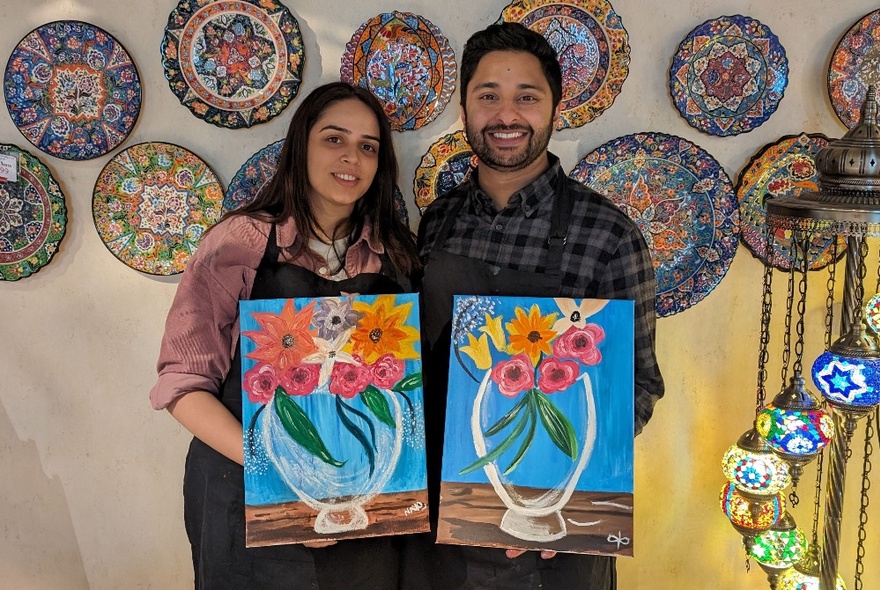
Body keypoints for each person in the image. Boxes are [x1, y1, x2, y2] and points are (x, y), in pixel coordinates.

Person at [405, 22, 664, 590]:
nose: (506, 114)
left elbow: (637, 390)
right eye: (488, 96)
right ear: (465, 107)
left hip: (553, 537)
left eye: (527, 96)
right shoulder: (437, 222)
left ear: (554, 106)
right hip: (445, 517)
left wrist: (558, 497)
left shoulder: (610, 235)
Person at [149, 82, 420, 590]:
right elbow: (182, 386)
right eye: (334, 139)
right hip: (249, 494)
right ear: (301, 146)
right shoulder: (240, 242)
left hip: (360, 510)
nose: (351, 158)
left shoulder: (394, 257)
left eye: (368, 146)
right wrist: (281, 478)